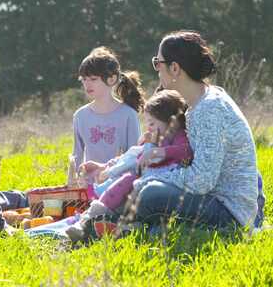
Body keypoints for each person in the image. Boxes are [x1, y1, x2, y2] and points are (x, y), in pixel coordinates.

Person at [135, 31, 258, 229]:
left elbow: (202, 180)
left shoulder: (209, 108)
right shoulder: (200, 102)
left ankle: (131, 224)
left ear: (174, 68)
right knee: (148, 192)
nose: (157, 70)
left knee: (150, 195)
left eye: (158, 63)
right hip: (216, 200)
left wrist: (152, 176)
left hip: (229, 212)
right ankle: (151, 227)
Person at [66, 91, 193, 241]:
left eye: (152, 123)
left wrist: (158, 150)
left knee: (127, 180)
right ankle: (88, 220)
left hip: (162, 182)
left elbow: (185, 152)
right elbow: (135, 157)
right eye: (147, 123)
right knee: (123, 181)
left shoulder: (179, 136)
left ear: (173, 122)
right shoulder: (157, 138)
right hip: (144, 178)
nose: (149, 127)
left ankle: (93, 220)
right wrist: (145, 143)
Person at [71, 46, 145, 182]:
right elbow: (76, 156)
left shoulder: (128, 114)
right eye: (84, 79)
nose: (87, 84)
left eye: (93, 79)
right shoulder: (80, 116)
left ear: (111, 79)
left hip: (119, 185)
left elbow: (135, 157)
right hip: (88, 188)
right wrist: (71, 185)